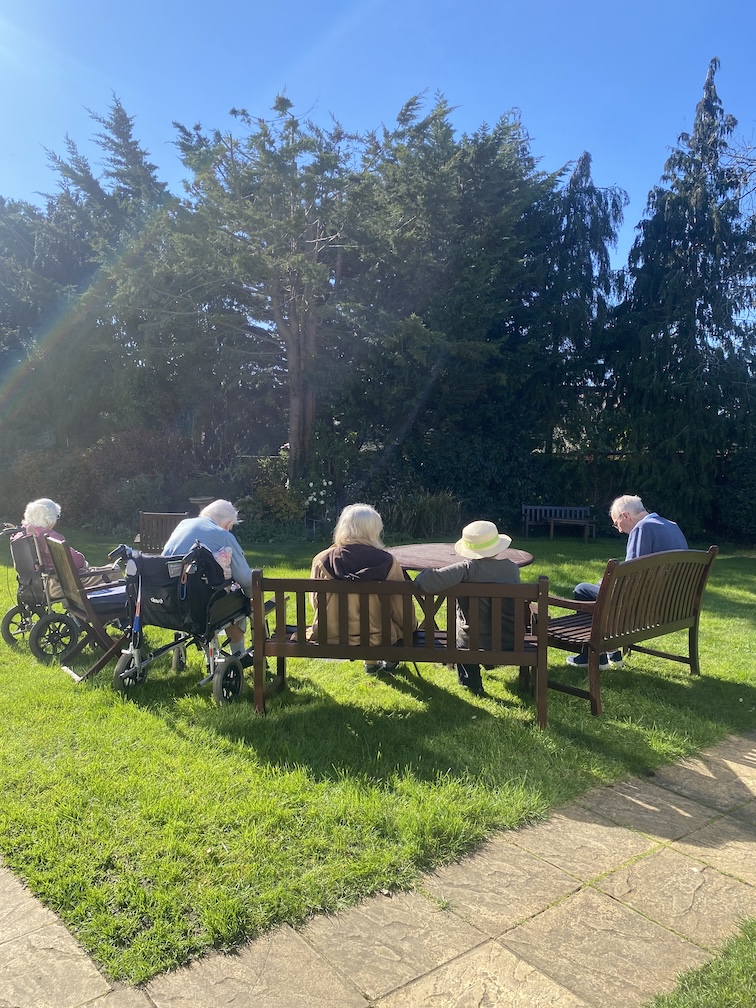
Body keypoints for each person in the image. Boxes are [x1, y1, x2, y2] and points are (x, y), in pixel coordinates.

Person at [568, 494, 688, 670]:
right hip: (672, 607)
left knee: (583, 590)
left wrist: (606, 585)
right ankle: (613, 654)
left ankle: (592, 656)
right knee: (601, 588)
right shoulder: (672, 526)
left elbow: (630, 579)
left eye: (616, 523)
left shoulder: (642, 528)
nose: (619, 530)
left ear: (625, 515)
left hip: (645, 609)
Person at [414, 520, 519, 696]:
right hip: (510, 638)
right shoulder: (512, 569)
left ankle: (471, 682)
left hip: (471, 643)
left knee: (463, 632)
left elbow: (424, 582)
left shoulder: (467, 569)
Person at [307, 503, 414, 675]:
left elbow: (316, 602)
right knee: (387, 622)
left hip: (331, 635)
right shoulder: (387, 562)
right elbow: (399, 605)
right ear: (374, 530)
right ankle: (380, 660)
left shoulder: (322, 560)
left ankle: (371, 664)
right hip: (378, 635)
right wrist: (410, 626)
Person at [162, 499, 252, 655]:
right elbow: (245, 578)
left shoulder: (183, 525)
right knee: (238, 602)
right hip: (204, 604)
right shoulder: (223, 535)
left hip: (170, 599)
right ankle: (239, 655)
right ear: (228, 524)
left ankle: (209, 653)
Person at [16, 497, 121, 594]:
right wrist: (83, 561)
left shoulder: (25, 533)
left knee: (103, 570)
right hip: (59, 583)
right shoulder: (50, 537)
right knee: (114, 570)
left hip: (40, 583)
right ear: (49, 518)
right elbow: (76, 561)